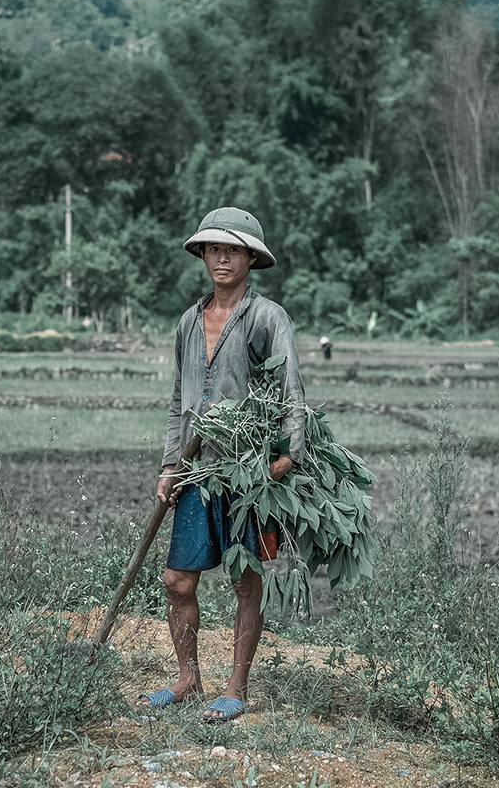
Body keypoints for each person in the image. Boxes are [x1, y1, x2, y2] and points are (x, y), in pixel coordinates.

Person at [142, 206, 305, 723]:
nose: (221, 258)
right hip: (195, 471)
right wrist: (170, 466)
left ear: (251, 258)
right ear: (203, 255)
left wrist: (285, 460)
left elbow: (290, 391)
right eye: (213, 249)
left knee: (244, 578)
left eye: (232, 250)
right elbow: (177, 400)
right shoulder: (189, 323)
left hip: (248, 472)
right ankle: (188, 678)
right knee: (176, 580)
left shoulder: (266, 318)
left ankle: (236, 684)